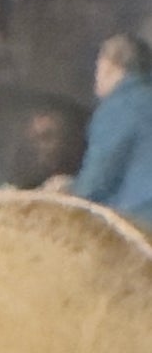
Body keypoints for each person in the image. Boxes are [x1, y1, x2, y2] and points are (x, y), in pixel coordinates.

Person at [61, 34, 152, 223]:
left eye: (97, 68)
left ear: (109, 67)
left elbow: (96, 183)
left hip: (139, 223)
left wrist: (65, 193)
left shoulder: (121, 107)